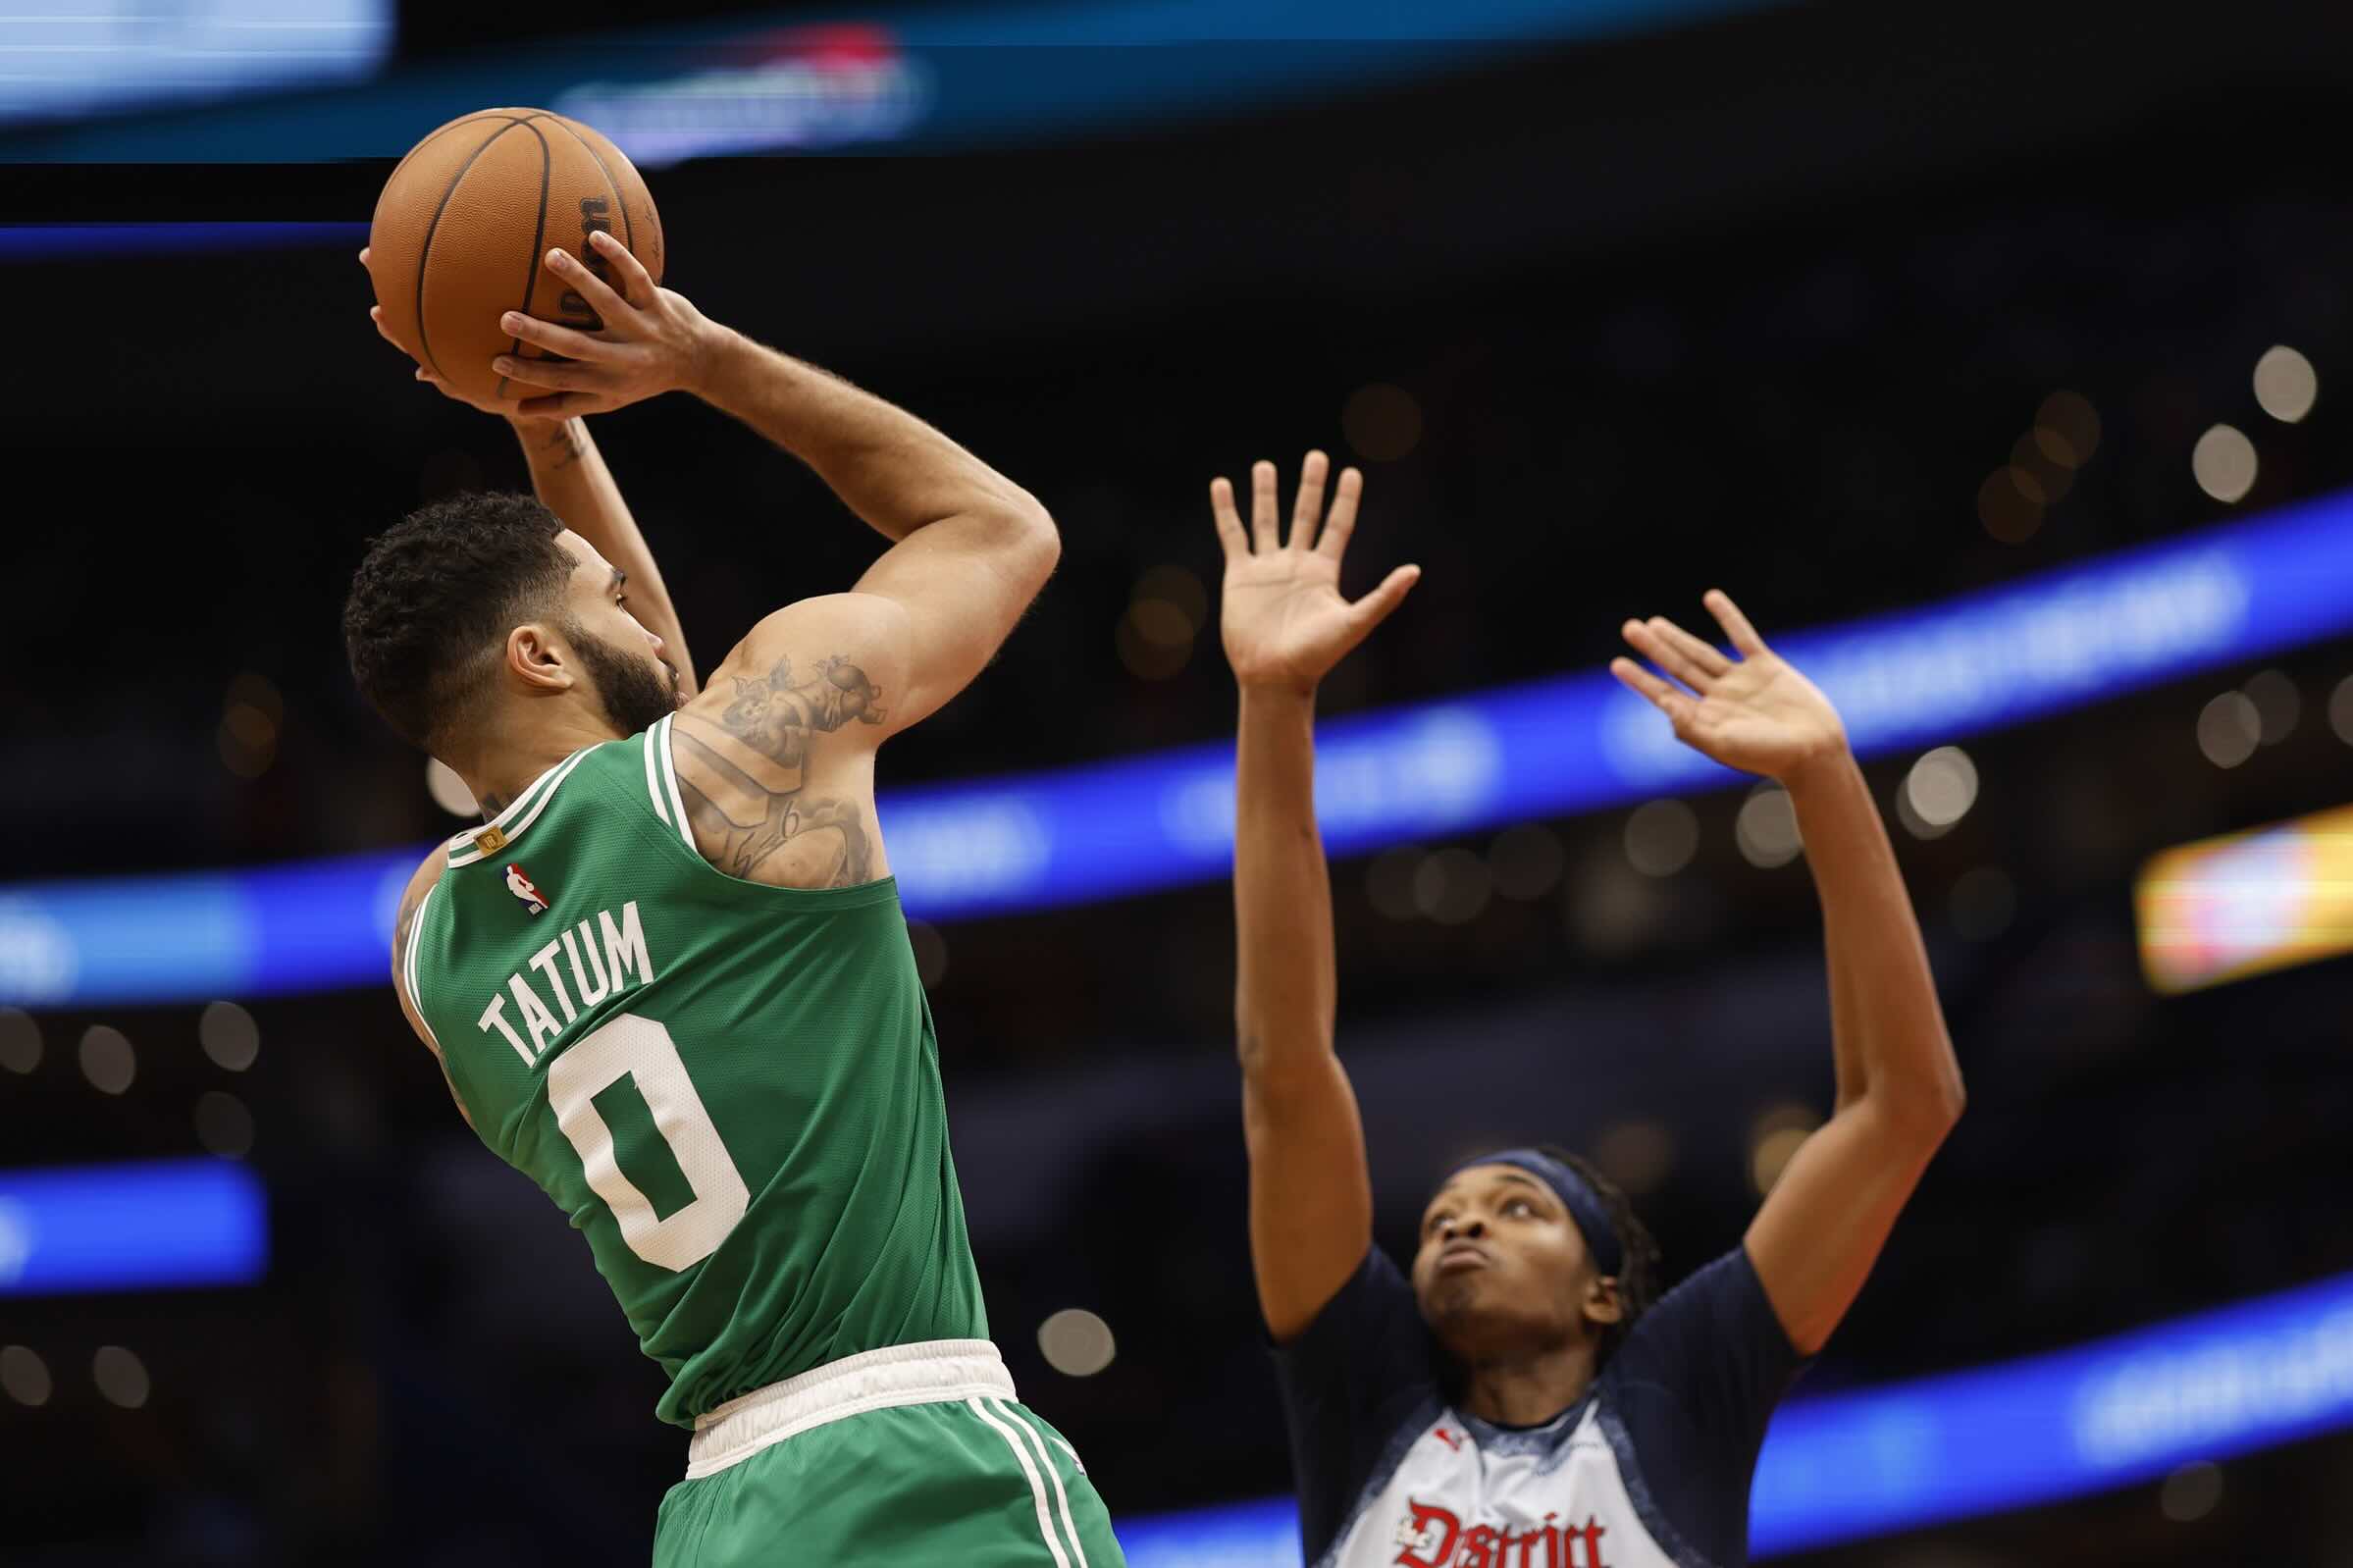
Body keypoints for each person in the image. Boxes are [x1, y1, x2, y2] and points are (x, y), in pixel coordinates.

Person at [344, 232, 1122, 1567]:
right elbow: (999, 529)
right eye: (608, 596)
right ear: (536, 651)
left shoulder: (430, 949)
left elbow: (644, 750)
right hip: (921, 1452)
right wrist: (701, 360)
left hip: (720, 1512)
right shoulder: (743, 753)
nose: (651, 622)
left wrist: (556, 437)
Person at [1210, 453, 1965, 1568]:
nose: (1459, 1224)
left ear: (1605, 1290)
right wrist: (1274, 700)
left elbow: (1905, 1104)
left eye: (1518, 1208)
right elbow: (1284, 1067)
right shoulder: (1362, 1394)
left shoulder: (1679, 1392)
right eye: (1441, 1220)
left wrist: (1823, 779)